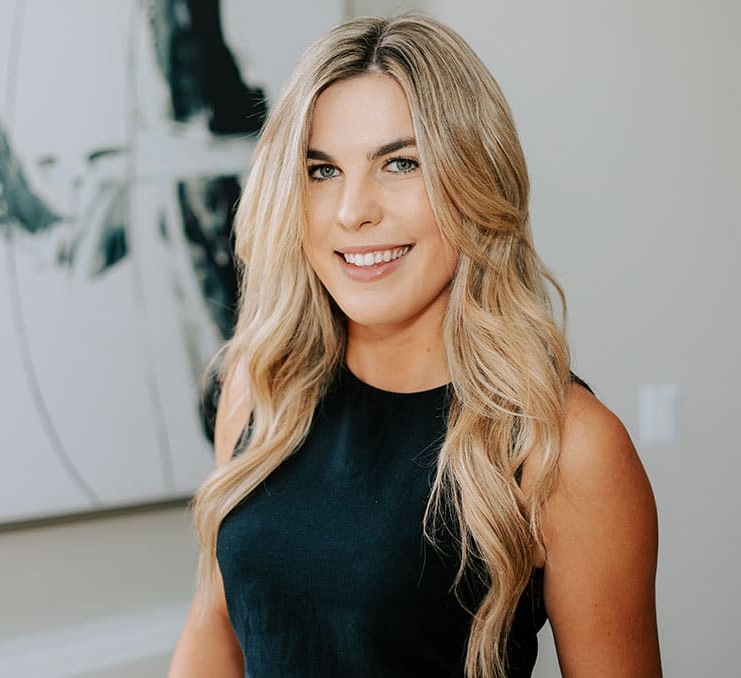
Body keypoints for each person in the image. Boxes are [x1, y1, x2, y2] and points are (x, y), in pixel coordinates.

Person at [169, 14, 661, 678]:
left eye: (399, 163)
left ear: (474, 181)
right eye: (321, 170)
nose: (352, 211)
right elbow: (216, 634)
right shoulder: (259, 389)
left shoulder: (568, 446)